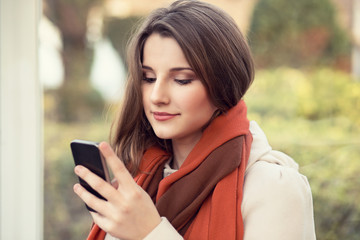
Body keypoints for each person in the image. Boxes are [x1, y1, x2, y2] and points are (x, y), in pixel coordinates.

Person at [73, 0, 316, 239]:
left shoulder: (274, 188)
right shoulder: (142, 180)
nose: (157, 96)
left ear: (223, 83)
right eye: (148, 78)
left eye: (182, 80)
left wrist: (150, 232)